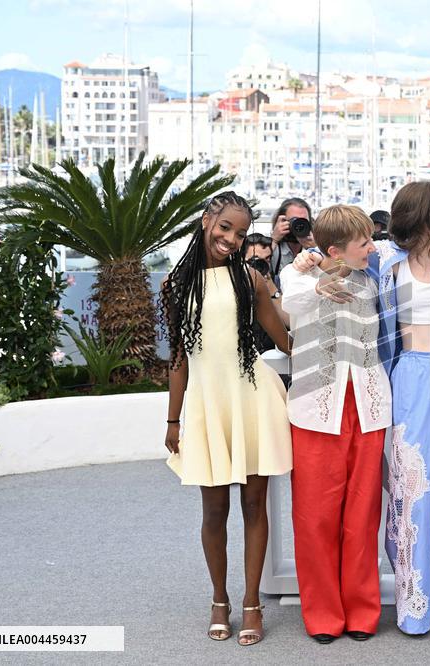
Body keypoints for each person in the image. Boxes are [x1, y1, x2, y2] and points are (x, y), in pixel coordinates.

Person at [316, 181, 430, 635]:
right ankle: (415, 602)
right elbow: (334, 264)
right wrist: (310, 265)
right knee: (413, 487)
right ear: (420, 217)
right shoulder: (385, 262)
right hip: (410, 374)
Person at [161, 191, 293, 647]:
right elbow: (178, 358)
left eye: (240, 233)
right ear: (206, 221)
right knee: (213, 510)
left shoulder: (251, 279)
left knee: (254, 507)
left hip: (251, 399)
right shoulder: (175, 285)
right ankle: (220, 599)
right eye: (225, 228)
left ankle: (252, 602)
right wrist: (173, 421)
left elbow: (284, 340)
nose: (231, 239)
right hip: (206, 405)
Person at [280, 205, 392, 645]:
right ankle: (323, 613)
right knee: (315, 518)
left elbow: (396, 246)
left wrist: (361, 253)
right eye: (362, 241)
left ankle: (363, 610)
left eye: (370, 240)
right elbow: (292, 302)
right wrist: (315, 274)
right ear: (333, 249)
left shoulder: (373, 276)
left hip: (368, 409)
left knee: (363, 516)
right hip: (315, 412)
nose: (371, 246)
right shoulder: (298, 278)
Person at [270, 197, 316, 278]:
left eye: (303, 221)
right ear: (282, 221)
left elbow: (341, 265)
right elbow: (255, 271)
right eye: (294, 220)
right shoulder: (273, 247)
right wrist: (274, 239)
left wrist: (316, 248)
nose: (299, 225)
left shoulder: (320, 245)